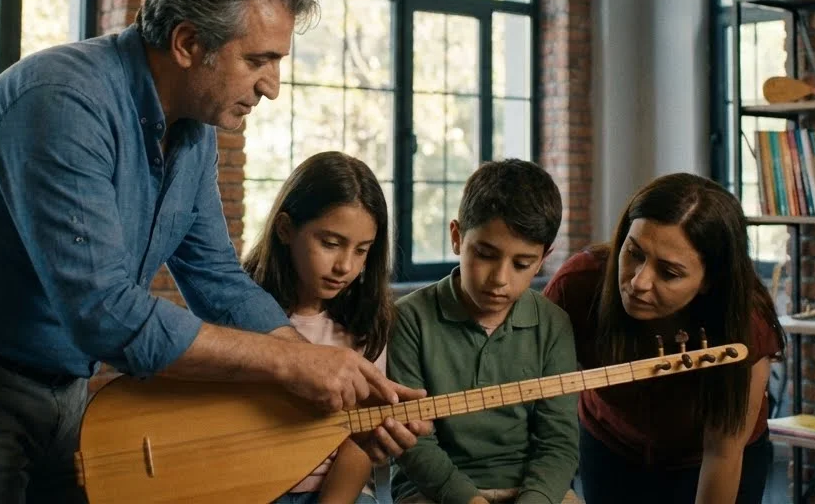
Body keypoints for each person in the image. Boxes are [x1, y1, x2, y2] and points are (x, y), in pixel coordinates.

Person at [0, 0, 429, 504]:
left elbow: (216, 276)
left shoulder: (195, 133)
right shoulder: (62, 101)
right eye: (257, 60)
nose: (272, 87)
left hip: (67, 385)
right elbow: (104, 312)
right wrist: (290, 361)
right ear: (187, 42)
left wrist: (312, 365)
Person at [543, 173, 784, 504]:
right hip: (609, 445)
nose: (638, 282)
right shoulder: (579, 284)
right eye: (634, 253)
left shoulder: (746, 324)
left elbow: (722, 455)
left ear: (709, 281)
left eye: (669, 273)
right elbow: (532, 400)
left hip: (710, 459)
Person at [389, 159, 579, 504]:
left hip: (530, 489)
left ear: (542, 259)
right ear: (457, 237)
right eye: (486, 254)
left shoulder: (554, 324)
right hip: (434, 491)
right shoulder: (408, 319)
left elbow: (559, 443)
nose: (500, 279)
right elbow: (414, 442)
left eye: (522, 264)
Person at [242, 151, 395, 504]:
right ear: (285, 229)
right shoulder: (240, 311)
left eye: (362, 251)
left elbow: (357, 446)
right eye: (330, 244)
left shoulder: (366, 323)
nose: (345, 266)